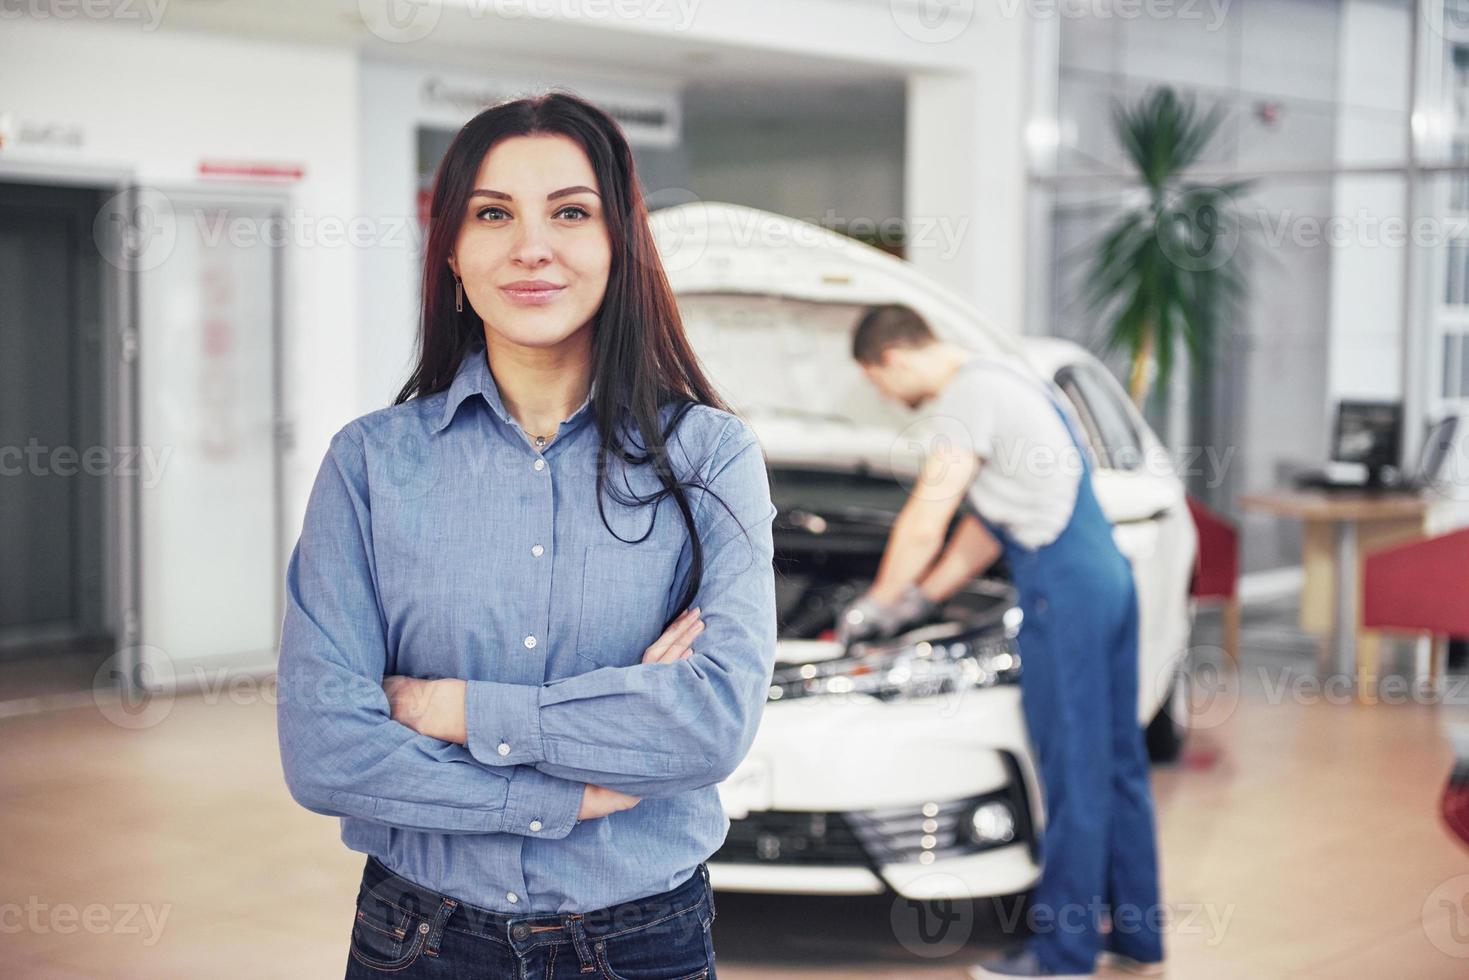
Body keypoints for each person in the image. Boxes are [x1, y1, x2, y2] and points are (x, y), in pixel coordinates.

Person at [275, 91, 778, 979]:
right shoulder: (368, 464)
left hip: (641, 944)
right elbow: (327, 751)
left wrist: (450, 708)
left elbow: (710, 726)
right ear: (453, 256)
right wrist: (572, 792)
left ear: (620, 245)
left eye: (571, 212)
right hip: (415, 941)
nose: (531, 246)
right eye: (493, 213)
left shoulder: (710, 455)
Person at [837, 305, 1164, 979]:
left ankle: (1062, 956)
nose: (887, 399)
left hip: (1063, 590)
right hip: (1103, 578)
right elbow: (984, 526)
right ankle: (1136, 937)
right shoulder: (1008, 382)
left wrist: (874, 603)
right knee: (1116, 765)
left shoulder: (968, 397)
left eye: (877, 385)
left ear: (890, 360)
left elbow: (928, 511)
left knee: (1073, 775)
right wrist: (921, 599)